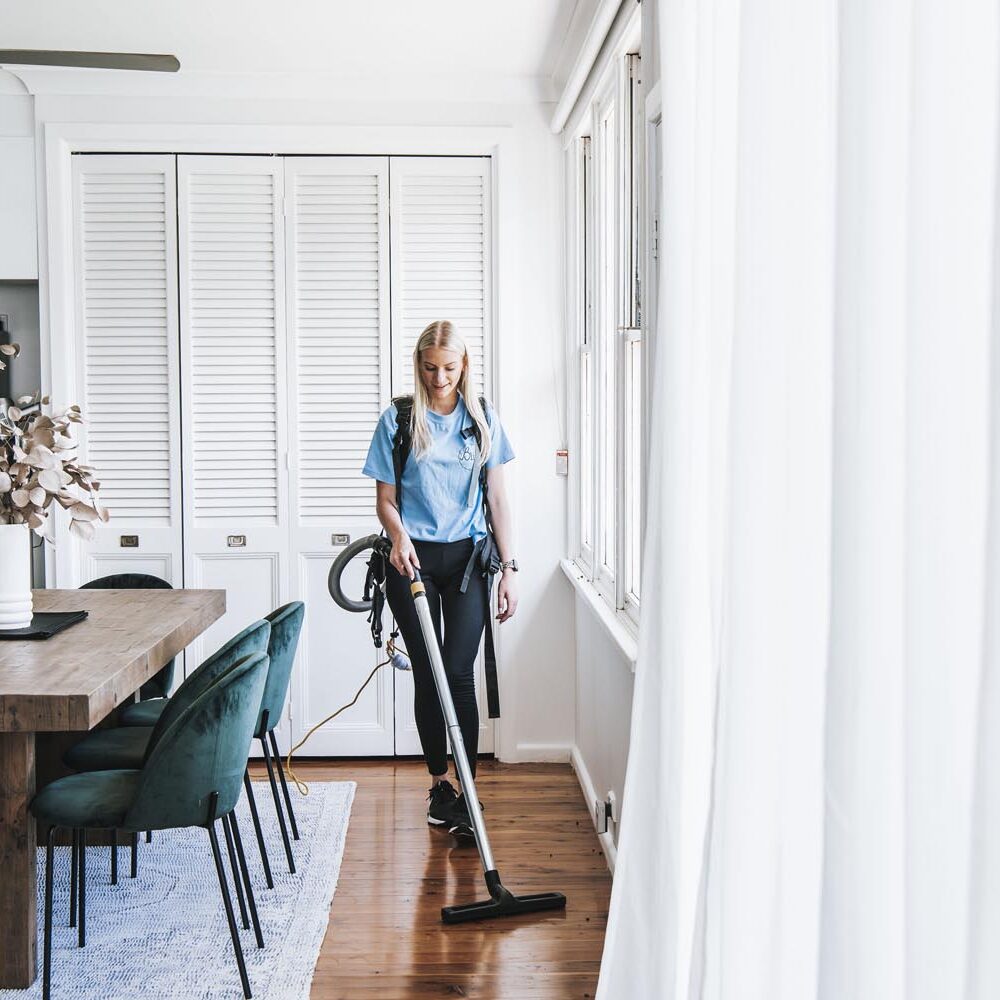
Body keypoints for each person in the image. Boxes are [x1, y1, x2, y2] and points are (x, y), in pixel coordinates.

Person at [362, 319, 518, 834]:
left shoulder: (482, 418)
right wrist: (400, 537)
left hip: (470, 562)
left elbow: (496, 498)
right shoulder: (400, 420)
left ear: (464, 365)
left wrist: (509, 568)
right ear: (419, 366)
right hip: (412, 562)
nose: (439, 378)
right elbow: (386, 501)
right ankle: (439, 787)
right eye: (430, 369)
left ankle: (469, 790)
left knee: (458, 671)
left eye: (449, 368)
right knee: (429, 672)